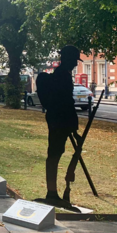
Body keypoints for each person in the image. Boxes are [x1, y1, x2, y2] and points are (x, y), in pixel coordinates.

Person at [40, 45, 83, 206]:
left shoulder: (61, 74)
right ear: (68, 59)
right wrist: (73, 127)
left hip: (57, 119)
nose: (75, 64)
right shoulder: (62, 76)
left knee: (55, 153)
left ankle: (52, 192)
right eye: (74, 60)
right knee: (54, 154)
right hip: (60, 120)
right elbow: (66, 103)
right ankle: (51, 193)